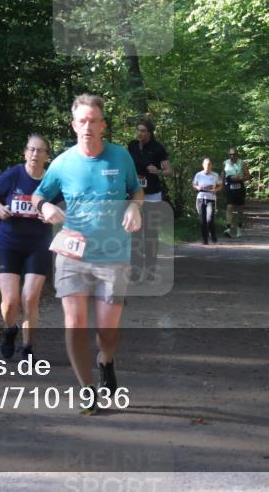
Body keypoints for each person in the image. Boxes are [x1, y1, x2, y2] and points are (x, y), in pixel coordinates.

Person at [32, 94, 143, 416]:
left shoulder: (120, 157)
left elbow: (136, 189)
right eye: (82, 121)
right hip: (72, 253)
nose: (88, 126)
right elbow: (39, 193)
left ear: (102, 125)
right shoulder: (63, 162)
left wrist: (135, 208)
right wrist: (46, 205)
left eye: (94, 120)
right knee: (75, 323)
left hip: (113, 253)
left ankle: (105, 360)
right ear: (73, 124)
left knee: (106, 333)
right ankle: (86, 389)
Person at [0, 135, 55, 360]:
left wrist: (52, 216)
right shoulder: (13, 174)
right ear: (25, 152)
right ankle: (9, 330)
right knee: (11, 300)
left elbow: (64, 206)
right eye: (32, 150)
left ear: (46, 156)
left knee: (30, 298)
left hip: (39, 244)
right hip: (9, 243)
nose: (35, 154)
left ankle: (27, 347)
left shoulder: (51, 180)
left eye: (40, 151)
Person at [127, 119, 172, 279]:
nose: (139, 133)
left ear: (150, 133)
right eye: (138, 130)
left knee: (151, 234)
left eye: (143, 131)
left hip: (152, 195)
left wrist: (158, 171)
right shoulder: (131, 145)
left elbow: (169, 171)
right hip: (135, 195)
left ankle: (151, 269)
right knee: (136, 233)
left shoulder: (157, 148)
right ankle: (136, 270)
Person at [222, 147, 249, 238]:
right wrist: (222, 185)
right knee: (229, 207)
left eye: (234, 154)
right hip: (230, 186)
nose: (232, 156)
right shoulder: (225, 163)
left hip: (239, 187)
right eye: (230, 154)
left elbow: (248, 176)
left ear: (237, 154)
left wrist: (240, 178)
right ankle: (228, 228)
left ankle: (239, 229)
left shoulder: (242, 163)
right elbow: (223, 175)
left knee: (240, 209)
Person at [192, 158, 221, 244]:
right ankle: (204, 240)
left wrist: (216, 190)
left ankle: (213, 235)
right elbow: (194, 185)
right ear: (203, 165)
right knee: (203, 220)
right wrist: (197, 187)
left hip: (211, 198)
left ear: (211, 166)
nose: (207, 166)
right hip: (201, 198)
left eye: (209, 165)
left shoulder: (215, 175)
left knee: (210, 219)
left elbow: (221, 185)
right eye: (206, 164)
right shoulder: (198, 175)